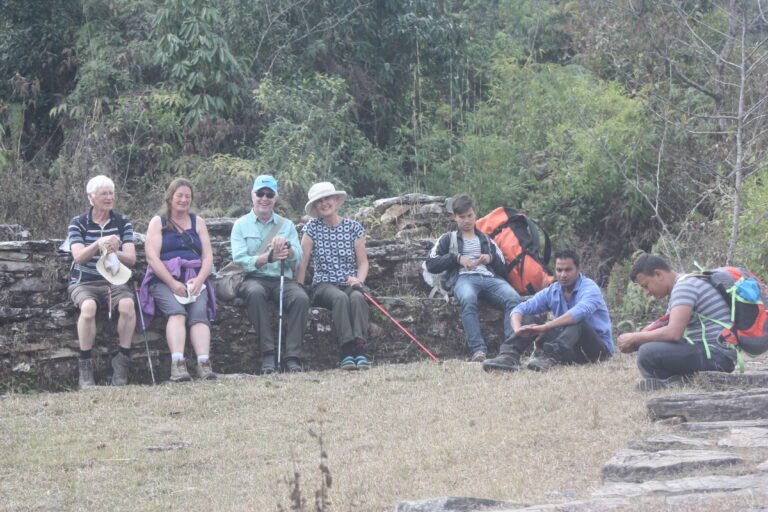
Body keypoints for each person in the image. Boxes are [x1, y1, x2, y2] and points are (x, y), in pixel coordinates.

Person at [616, 254, 736, 391]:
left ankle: (668, 384)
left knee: (647, 353)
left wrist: (635, 337)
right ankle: (673, 382)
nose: (647, 292)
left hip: (718, 356)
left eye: (646, 285)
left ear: (658, 274)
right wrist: (636, 342)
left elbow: (673, 333)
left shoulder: (684, 287)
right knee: (648, 348)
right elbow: (666, 333)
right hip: (715, 354)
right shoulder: (684, 284)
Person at [424, 193, 521, 361]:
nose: (467, 220)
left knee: (514, 298)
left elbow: (503, 267)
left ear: (475, 214)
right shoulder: (448, 239)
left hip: (490, 279)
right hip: (463, 279)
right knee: (468, 299)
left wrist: (489, 258)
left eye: (470, 216)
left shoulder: (486, 239)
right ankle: (478, 350)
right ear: (454, 217)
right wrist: (456, 259)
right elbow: (431, 264)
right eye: (462, 217)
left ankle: (510, 349)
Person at [483, 249, 613, 372]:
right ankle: (508, 356)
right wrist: (518, 330)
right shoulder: (553, 290)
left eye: (568, 270)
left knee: (578, 322)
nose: (563, 275)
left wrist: (545, 327)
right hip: (568, 349)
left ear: (578, 269)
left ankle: (549, 357)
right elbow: (519, 309)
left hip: (596, 351)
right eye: (559, 270)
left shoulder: (590, 288)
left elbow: (580, 312)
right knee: (527, 318)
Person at [140, 178, 217, 382]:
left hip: (194, 279)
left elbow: (208, 256)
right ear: (170, 197)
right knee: (177, 312)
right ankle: (178, 365)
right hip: (164, 279)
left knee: (199, 314)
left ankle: (204, 364)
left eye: (187, 197)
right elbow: (152, 258)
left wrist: (200, 280)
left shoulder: (198, 222)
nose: (183, 200)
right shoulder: (158, 222)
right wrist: (173, 284)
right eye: (179, 196)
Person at [231, 175, 308, 374]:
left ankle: (292, 357)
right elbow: (240, 260)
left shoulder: (287, 225)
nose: (264, 198)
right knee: (255, 293)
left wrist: (287, 251)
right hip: (254, 278)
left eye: (269, 194)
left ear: (275, 198)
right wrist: (268, 257)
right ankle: (268, 355)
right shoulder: (240, 225)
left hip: (281, 278)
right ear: (252, 195)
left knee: (300, 298)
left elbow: (297, 257)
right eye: (260, 193)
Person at [67, 175, 136, 389]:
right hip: (84, 281)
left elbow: (131, 259)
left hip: (114, 281)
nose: (109, 198)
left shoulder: (122, 222)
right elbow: (78, 257)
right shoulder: (78, 223)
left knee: (127, 305)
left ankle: (122, 362)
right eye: (104, 194)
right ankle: (85, 367)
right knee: (88, 308)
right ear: (91, 197)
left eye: (111, 193)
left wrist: (116, 250)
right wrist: (99, 243)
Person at [295, 182, 371, 370]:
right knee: (340, 299)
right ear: (315, 206)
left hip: (350, 282)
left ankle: (360, 349)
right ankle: (346, 349)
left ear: (336, 200)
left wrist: (359, 281)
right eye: (319, 201)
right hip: (324, 285)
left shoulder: (354, 228)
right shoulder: (311, 228)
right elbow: (302, 261)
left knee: (357, 298)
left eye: (327, 198)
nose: (324, 204)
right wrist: (298, 288)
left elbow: (363, 263)